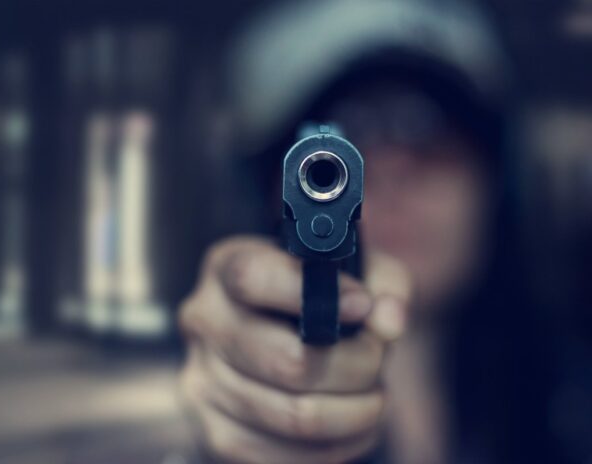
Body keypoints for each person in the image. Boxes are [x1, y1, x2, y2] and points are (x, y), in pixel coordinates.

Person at [178, 1, 555, 462]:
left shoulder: (570, 402)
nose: (392, 170)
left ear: (497, 181)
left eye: (434, 131)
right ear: (270, 192)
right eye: (331, 159)